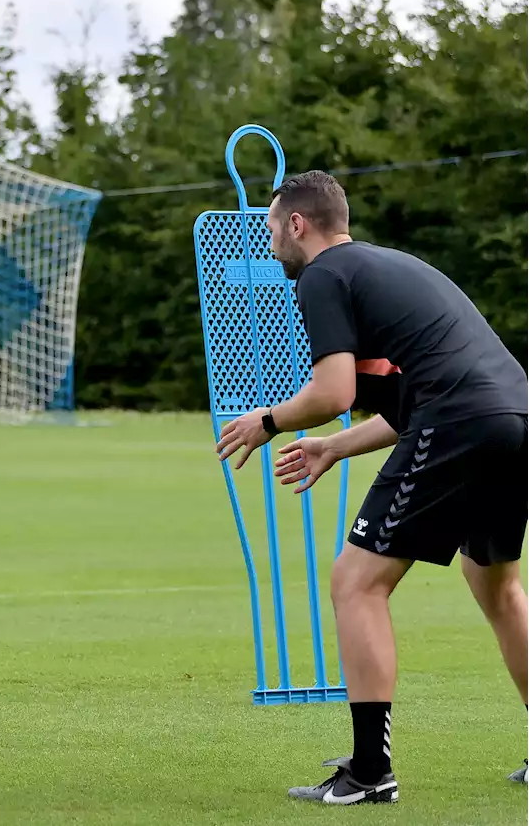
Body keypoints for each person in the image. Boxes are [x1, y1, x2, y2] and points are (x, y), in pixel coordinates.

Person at [215, 170, 529, 803]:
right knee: (493, 580)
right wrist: (333, 445)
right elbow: (408, 405)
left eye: (273, 227)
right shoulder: (385, 269)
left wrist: (268, 420)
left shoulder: (321, 276)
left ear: (297, 225)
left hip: (463, 420)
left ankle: (368, 772)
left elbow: (335, 393)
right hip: (516, 416)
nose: (271, 240)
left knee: (355, 583)